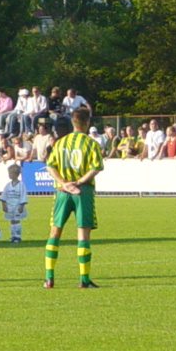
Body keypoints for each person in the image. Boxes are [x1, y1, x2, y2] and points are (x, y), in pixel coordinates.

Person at [43, 107, 104, 289]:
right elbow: (96, 168)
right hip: (82, 191)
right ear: (87, 123)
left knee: (55, 232)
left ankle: (49, 278)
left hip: (62, 191)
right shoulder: (91, 143)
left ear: (73, 122)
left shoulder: (61, 143)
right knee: (83, 234)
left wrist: (64, 182)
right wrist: (77, 182)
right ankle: (84, 279)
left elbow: (49, 165)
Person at [0, 164, 27, 243]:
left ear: (17, 174)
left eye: (11, 173)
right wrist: (4, 205)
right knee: (11, 220)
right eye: (9, 173)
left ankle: (18, 236)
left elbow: (23, 195)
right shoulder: (8, 185)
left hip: (17, 206)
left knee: (17, 220)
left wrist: (21, 206)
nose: (10, 175)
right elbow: (3, 196)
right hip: (9, 206)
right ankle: (12, 235)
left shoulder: (21, 185)